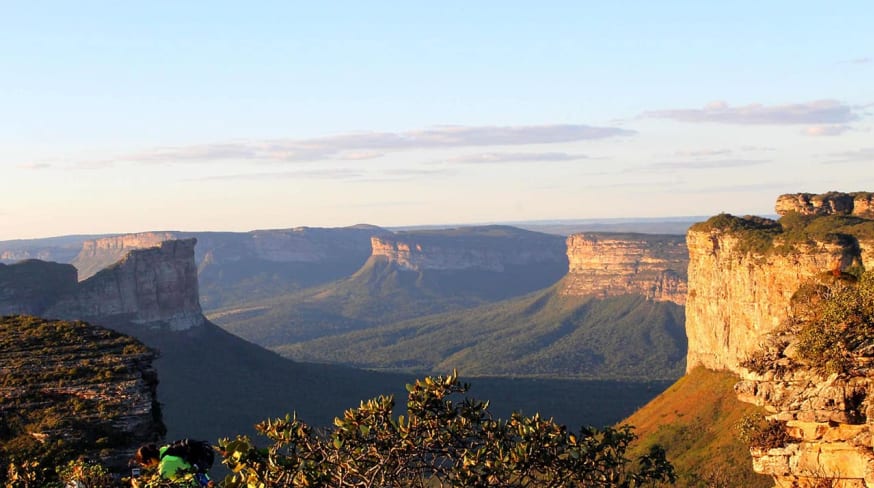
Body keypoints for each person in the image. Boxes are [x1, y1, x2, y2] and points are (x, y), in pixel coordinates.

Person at [133, 443, 214, 487]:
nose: (147, 467)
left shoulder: (165, 465)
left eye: (144, 465)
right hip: (204, 480)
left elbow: (156, 485)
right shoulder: (166, 450)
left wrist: (137, 486)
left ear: (148, 460)